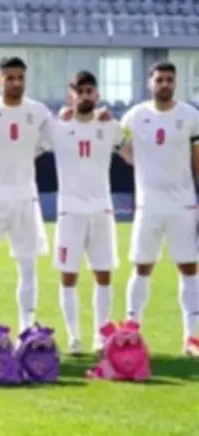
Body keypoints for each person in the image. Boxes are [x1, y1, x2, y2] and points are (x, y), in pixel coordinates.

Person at [0, 56, 55, 332]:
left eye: (20, 78)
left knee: (28, 266)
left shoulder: (38, 112)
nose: (16, 83)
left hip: (25, 198)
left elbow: (52, 140)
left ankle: (27, 327)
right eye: (10, 78)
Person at [119, 61, 199, 356]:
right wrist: (135, 161)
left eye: (169, 79)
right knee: (142, 266)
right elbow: (116, 140)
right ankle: (131, 331)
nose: (164, 84)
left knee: (189, 268)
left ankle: (192, 337)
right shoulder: (135, 115)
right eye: (159, 79)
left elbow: (197, 157)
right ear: (150, 83)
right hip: (148, 204)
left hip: (183, 203)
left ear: (175, 83)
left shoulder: (190, 116)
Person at [48, 71, 124, 354]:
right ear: (71, 95)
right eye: (79, 91)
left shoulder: (111, 127)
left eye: (89, 91)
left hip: (101, 211)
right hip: (70, 212)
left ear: (97, 95)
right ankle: (74, 337)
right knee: (68, 275)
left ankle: (101, 336)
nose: (84, 96)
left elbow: (132, 144)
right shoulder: (58, 128)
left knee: (103, 274)